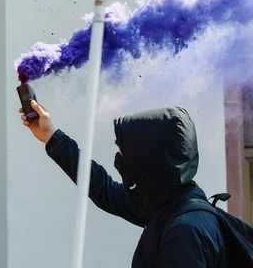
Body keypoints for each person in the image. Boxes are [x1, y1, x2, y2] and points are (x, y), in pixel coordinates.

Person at [20, 101, 227, 267]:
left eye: (124, 150)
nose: (119, 156)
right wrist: (51, 136)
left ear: (149, 159)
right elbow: (104, 191)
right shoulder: (169, 204)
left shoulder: (184, 230)